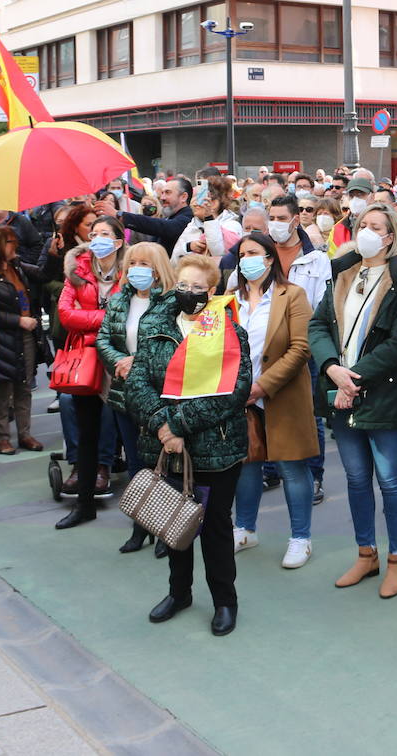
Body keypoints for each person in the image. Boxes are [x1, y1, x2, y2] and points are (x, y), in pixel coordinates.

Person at [309, 204, 397, 598]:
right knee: (356, 478)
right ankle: (366, 553)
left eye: (376, 226)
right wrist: (332, 368)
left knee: (390, 479)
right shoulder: (344, 272)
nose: (367, 231)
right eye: (362, 224)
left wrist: (353, 379)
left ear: (390, 236)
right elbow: (318, 324)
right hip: (342, 390)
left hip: (383, 392)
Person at [124, 253, 250, 636]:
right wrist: (163, 426)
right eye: (184, 285)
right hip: (165, 446)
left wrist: (179, 424)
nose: (190, 293)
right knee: (172, 523)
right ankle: (179, 593)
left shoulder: (229, 331)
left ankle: (225, 602)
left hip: (216, 448)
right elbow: (137, 383)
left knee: (214, 528)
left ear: (212, 291)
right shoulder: (156, 325)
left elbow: (234, 389)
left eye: (199, 287)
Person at [228, 232, 318, 567]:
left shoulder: (292, 295)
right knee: (247, 464)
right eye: (241, 254)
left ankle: (300, 538)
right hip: (239, 397)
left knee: (292, 467)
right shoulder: (229, 298)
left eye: (253, 252)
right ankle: (245, 529)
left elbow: (300, 347)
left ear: (269, 259)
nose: (246, 259)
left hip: (281, 395)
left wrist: (263, 386)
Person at [95, 241, 175, 553]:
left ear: (158, 269)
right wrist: (119, 361)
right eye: (132, 263)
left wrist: (137, 362)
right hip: (124, 393)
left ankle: (167, 527)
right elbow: (103, 338)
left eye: (144, 263)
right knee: (136, 464)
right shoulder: (118, 301)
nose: (136, 270)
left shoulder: (170, 302)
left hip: (158, 396)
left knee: (163, 462)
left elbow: (172, 345)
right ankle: (141, 526)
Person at [53, 216, 125, 528]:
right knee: (85, 432)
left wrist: (92, 318)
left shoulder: (131, 269)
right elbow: (66, 314)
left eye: (105, 234)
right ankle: (84, 504)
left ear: (119, 241)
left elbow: (129, 314)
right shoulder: (78, 268)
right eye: (94, 234)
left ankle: (143, 517)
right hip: (85, 359)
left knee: (134, 436)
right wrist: (105, 318)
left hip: (123, 359)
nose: (97, 239)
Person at [0, 226, 47, 456]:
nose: (15, 246)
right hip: (0, 338)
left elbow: (43, 275)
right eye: (10, 242)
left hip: (25, 335)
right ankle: (2, 437)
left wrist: (54, 253)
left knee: (24, 385)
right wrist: (17, 320)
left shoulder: (17, 267)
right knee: (1, 388)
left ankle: (25, 434)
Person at [121, 176, 193, 255]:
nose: (162, 198)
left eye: (168, 192)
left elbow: (165, 227)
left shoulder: (188, 217)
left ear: (183, 197)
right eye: (162, 193)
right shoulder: (169, 217)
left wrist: (122, 216)